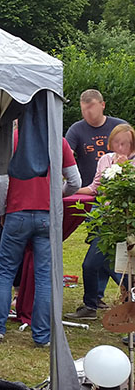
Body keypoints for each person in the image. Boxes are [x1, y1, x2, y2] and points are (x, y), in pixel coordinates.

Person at [0, 135, 80, 346]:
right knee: (44, 276)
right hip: (46, 215)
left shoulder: (10, 140)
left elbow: (1, 182)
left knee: (5, 271)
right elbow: (75, 181)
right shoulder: (58, 140)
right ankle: (42, 335)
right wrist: (55, 196)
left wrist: (2, 210)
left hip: (16, 213)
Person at [67, 124, 135, 319]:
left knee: (124, 266)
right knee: (94, 264)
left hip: (126, 222)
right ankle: (91, 304)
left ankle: (120, 302)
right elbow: (95, 187)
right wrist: (68, 189)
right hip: (105, 219)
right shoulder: (105, 159)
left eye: (125, 143)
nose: (120, 147)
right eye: (116, 142)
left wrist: (122, 168)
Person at [65, 89, 126, 188]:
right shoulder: (76, 129)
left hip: (116, 188)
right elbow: (66, 155)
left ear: (102, 105)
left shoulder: (119, 126)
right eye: (84, 109)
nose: (88, 112)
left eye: (91, 108)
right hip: (86, 188)